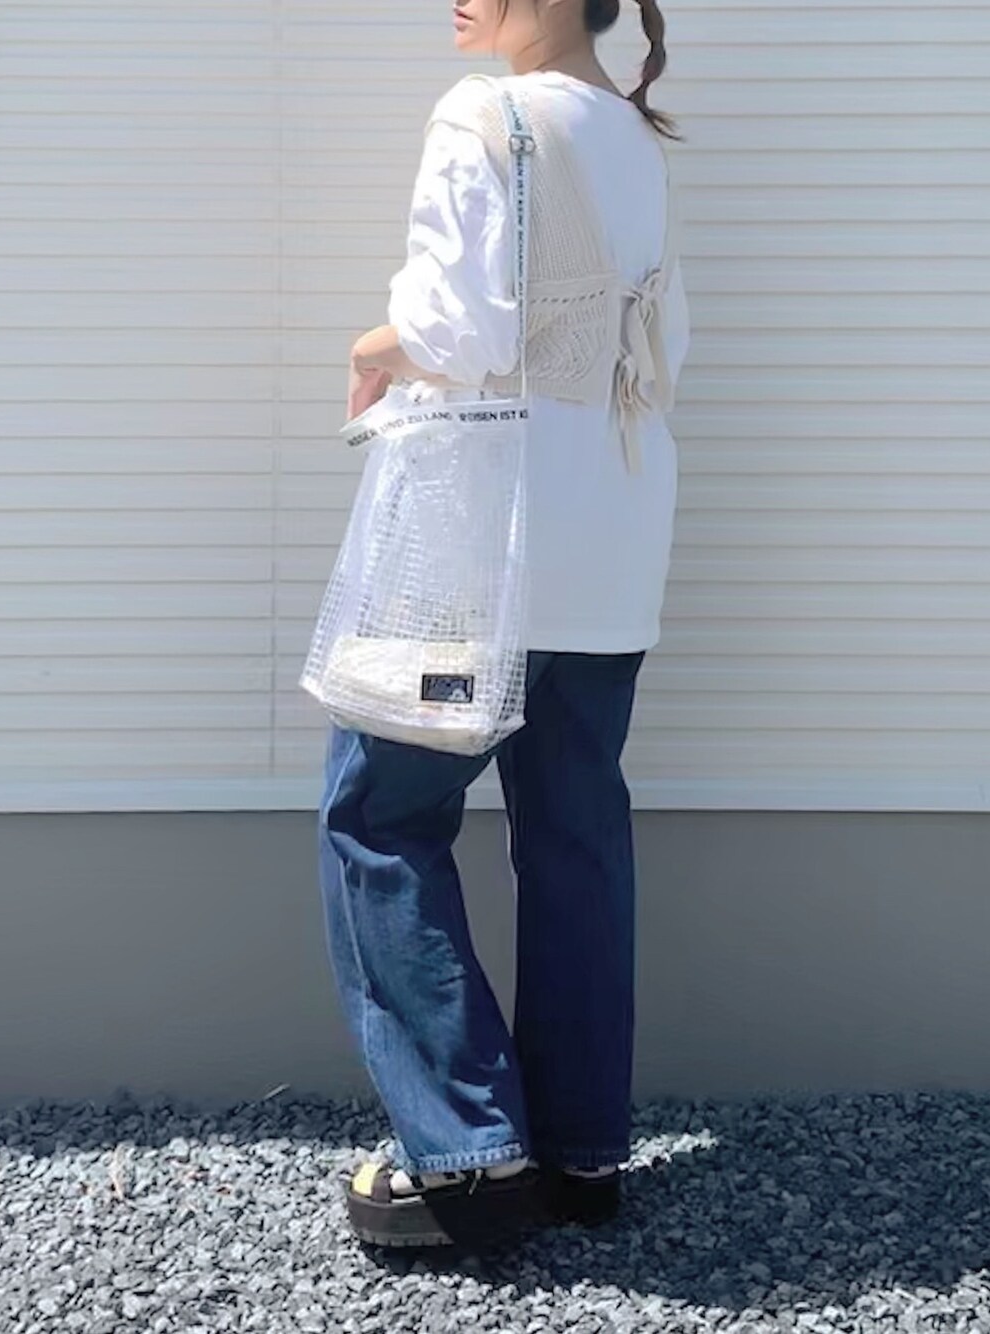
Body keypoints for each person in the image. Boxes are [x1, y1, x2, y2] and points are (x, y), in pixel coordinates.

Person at [318, 0, 691, 1249]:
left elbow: (455, 331)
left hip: (485, 551)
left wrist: (368, 344)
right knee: (574, 834)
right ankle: (583, 1152)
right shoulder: (633, 136)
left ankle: (469, 1153)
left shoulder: (485, 115)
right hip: (612, 539)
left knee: (380, 820)